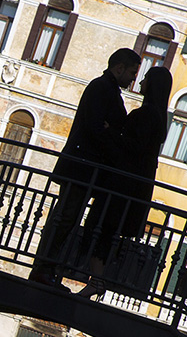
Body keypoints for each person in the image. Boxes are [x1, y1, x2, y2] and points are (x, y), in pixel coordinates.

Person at [29, 48, 141, 288]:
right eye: (132, 72)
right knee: (65, 218)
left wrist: (111, 130)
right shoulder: (102, 89)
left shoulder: (105, 89)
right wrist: (113, 135)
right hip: (81, 168)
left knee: (66, 218)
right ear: (119, 67)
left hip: (83, 168)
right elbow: (96, 129)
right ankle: (43, 268)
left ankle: (46, 268)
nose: (133, 78)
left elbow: (108, 127)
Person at [78, 65, 173, 297]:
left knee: (102, 227)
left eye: (145, 80)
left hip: (122, 184)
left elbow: (133, 148)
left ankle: (96, 281)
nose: (140, 83)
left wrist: (111, 132)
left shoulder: (145, 115)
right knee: (108, 230)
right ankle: (96, 280)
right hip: (136, 185)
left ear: (152, 86)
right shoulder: (159, 118)